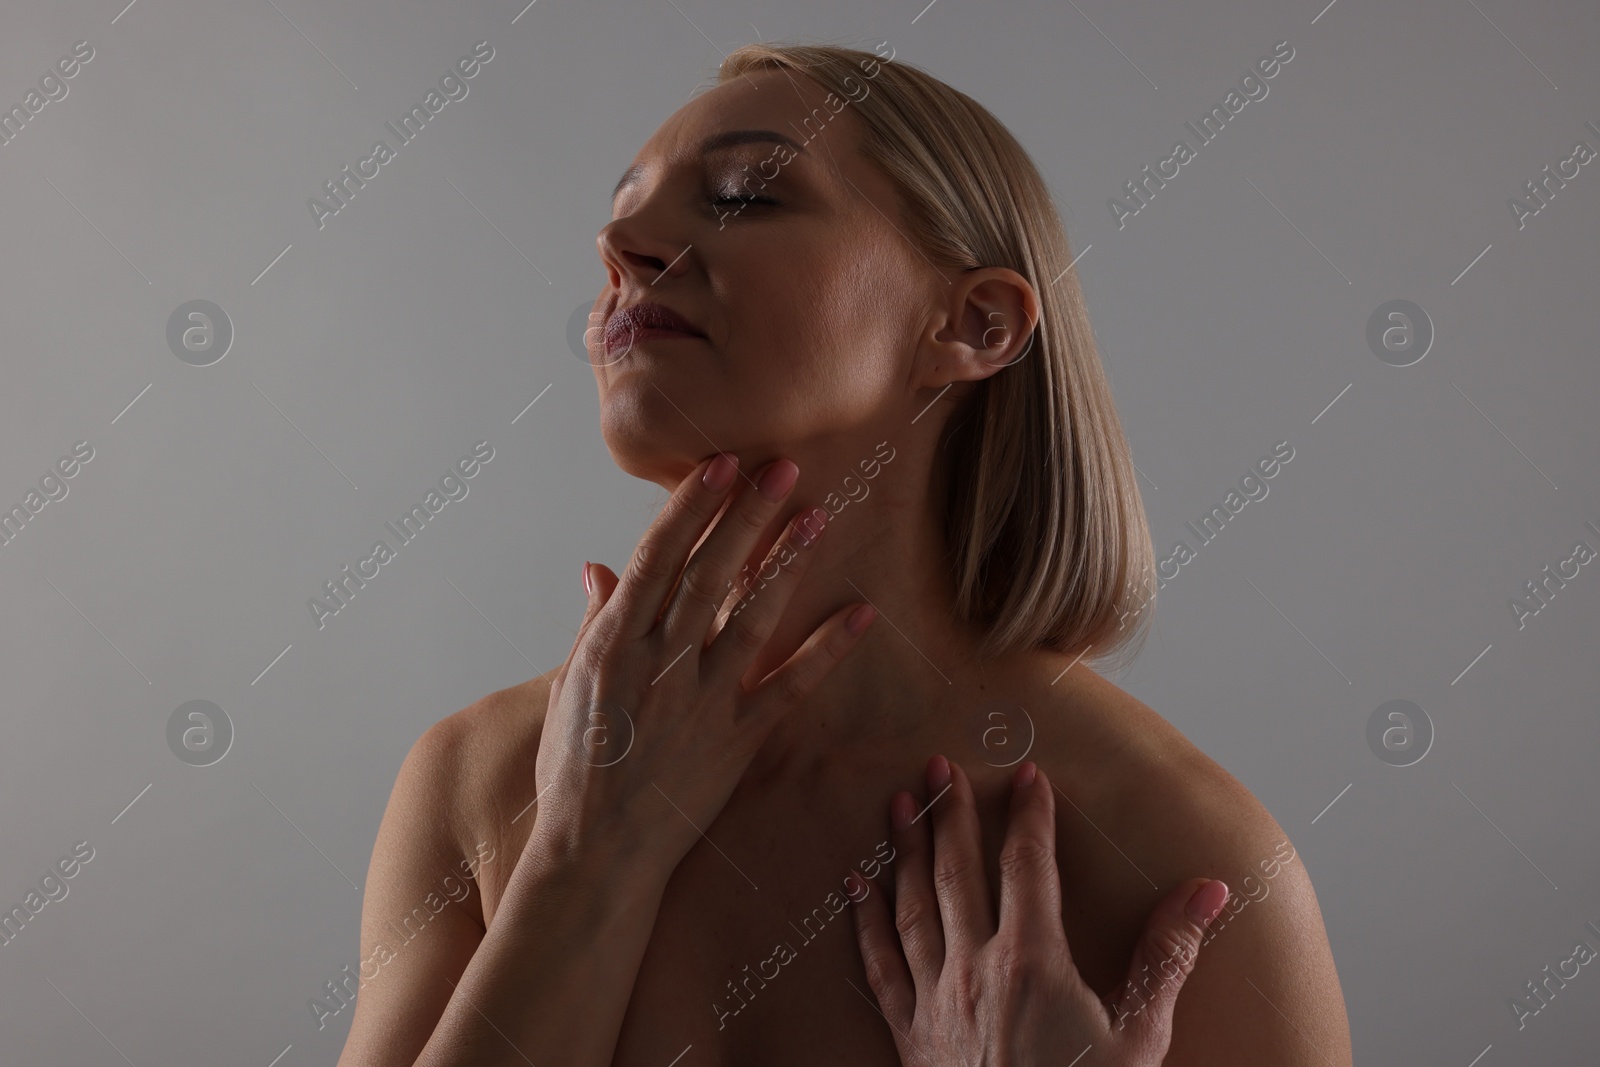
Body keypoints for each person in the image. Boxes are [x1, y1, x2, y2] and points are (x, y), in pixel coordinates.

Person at [336, 41, 1352, 1067]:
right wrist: (579, 862)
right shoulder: (481, 779)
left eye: (743, 195)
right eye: (623, 205)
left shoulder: (1172, 850)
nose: (620, 240)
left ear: (974, 322)